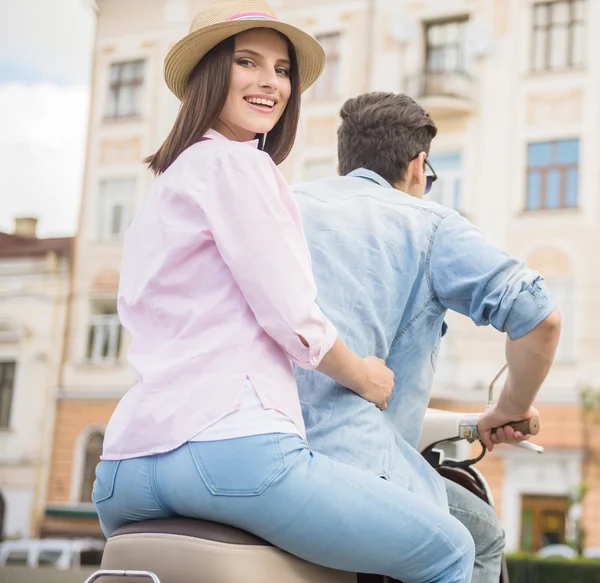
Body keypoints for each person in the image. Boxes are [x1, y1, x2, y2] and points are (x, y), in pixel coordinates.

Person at [91, 4, 476, 582]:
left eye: (282, 69)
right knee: (450, 548)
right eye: (247, 61)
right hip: (230, 448)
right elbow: (294, 316)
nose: (270, 81)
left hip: (124, 467)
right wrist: (365, 376)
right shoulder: (242, 165)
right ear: (209, 74)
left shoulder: (167, 186)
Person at [293, 92, 562, 583]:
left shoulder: (286, 204)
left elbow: (350, 394)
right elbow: (539, 316)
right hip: (349, 466)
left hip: (257, 445)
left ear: (345, 159)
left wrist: (477, 423)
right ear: (419, 167)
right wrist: (512, 406)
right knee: (480, 534)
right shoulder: (428, 224)